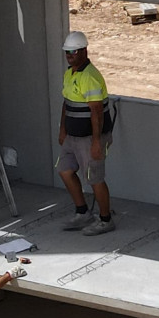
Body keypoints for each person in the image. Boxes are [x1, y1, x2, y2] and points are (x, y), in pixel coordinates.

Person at [57, 29, 118, 236]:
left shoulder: (90, 77)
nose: (70, 56)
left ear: (84, 51)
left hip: (89, 138)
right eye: (67, 52)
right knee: (65, 170)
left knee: (94, 178)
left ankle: (105, 219)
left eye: (73, 52)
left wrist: (96, 142)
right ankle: (83, 213)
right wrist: (62, 129)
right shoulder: (70, 73)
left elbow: (97, 112)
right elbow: (67, 104)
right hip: (72, 136)